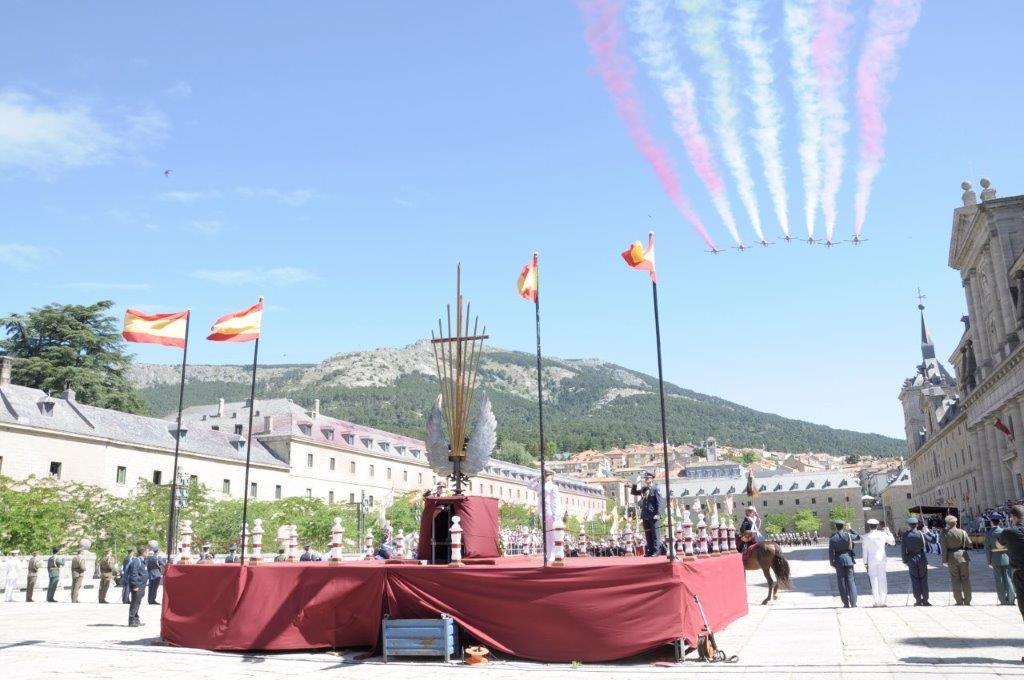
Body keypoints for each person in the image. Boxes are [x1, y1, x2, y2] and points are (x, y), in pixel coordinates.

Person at [996, 505, 1024, 625]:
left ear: (1013, 517)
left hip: (1020, 572)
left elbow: (999, 545)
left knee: (1022, 600)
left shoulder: (1009, 532)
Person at [527, 469, 562, 563]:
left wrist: (556, 514)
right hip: (541, 512)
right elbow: (529, 485)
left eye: (547, 475)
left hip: (550, 512)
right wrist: (538, 477)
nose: (545, 477)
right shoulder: (539, 485)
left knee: (552, 535)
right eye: (544, 475)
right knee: (546, 535)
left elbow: (555, 501)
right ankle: (548, 554)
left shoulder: (553, 486)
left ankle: (553, 554)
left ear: (551, 476)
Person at [630, 471, 664, 557]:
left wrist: (658, 514)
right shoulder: (644, 489)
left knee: (655, 534)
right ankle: (650, 550)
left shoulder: (656, 489)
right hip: (645, 515)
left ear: (652, 479)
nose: (646, 479)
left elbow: (659, 502)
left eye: (648, 478)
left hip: (653, 515)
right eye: (645, 478)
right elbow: (633, 492)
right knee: (648, 534)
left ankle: (656, 551)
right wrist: (635, 484)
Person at [861, 519, 894, 606]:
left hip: (871, 560)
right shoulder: (882, 534)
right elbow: (892, 542)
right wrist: (888, 532)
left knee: (873, 580)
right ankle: (882, 601)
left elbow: (865, 551)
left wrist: (865, 562)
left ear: (869, 526)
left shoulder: (865, 537)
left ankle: (876, 601)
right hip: (881, 559)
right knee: (882, 580)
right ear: (877, 526)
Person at [984, 513, 1015, 606]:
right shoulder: (1004, 531)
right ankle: (1011, 599)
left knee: (999, 579)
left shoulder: (989, 533)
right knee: (1009, 579)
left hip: (995, 558)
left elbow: (987, 549)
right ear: (999, 522)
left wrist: (989, 561)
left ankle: (1002, 600)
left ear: (991, 522)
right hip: (1006, 557)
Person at [942, 514, 972, 606]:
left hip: (952, 558)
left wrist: (944, 560)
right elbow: (969, 544)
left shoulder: (945, 533)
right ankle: (967, 600)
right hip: (963, 557)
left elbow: (944, 548)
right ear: (956, 523)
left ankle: (959, 600)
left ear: (948, 524)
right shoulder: (963, 532)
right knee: (965, 579)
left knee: (955, 579)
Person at [828, 519, 858, 608]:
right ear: (843, 527)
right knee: (851, 581)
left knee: (841, 582)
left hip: (839, 561)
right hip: (849, 559)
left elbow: (831, 552)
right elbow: (857, 536)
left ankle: (846, 603)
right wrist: (850, 529)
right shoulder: (848, 535)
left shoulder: (833, 538)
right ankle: (853, 603)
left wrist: (832, 563)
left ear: (836, 527)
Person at [901, 516, 930, 606]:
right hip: (922, 558)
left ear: (909, 525)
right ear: (917, 525)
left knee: (915, 580)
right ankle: (925, 600)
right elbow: (933, 540)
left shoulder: (905, 535)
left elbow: (903, 549)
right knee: (924, 580)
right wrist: (927, 531)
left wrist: (905, 560)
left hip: (911, 558)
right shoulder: (921, 534)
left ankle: (918, 600)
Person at [125, 546, 149, 627]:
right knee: (134, 603)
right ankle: (131, 620)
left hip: (142, 586)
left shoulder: (143, 561)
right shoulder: (136, 561)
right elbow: (133, 573)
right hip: (137, 586)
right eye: (147, 552)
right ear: (143, 552)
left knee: (137, 603)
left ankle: (136, 619)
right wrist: (134, 585)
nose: (148, 553)